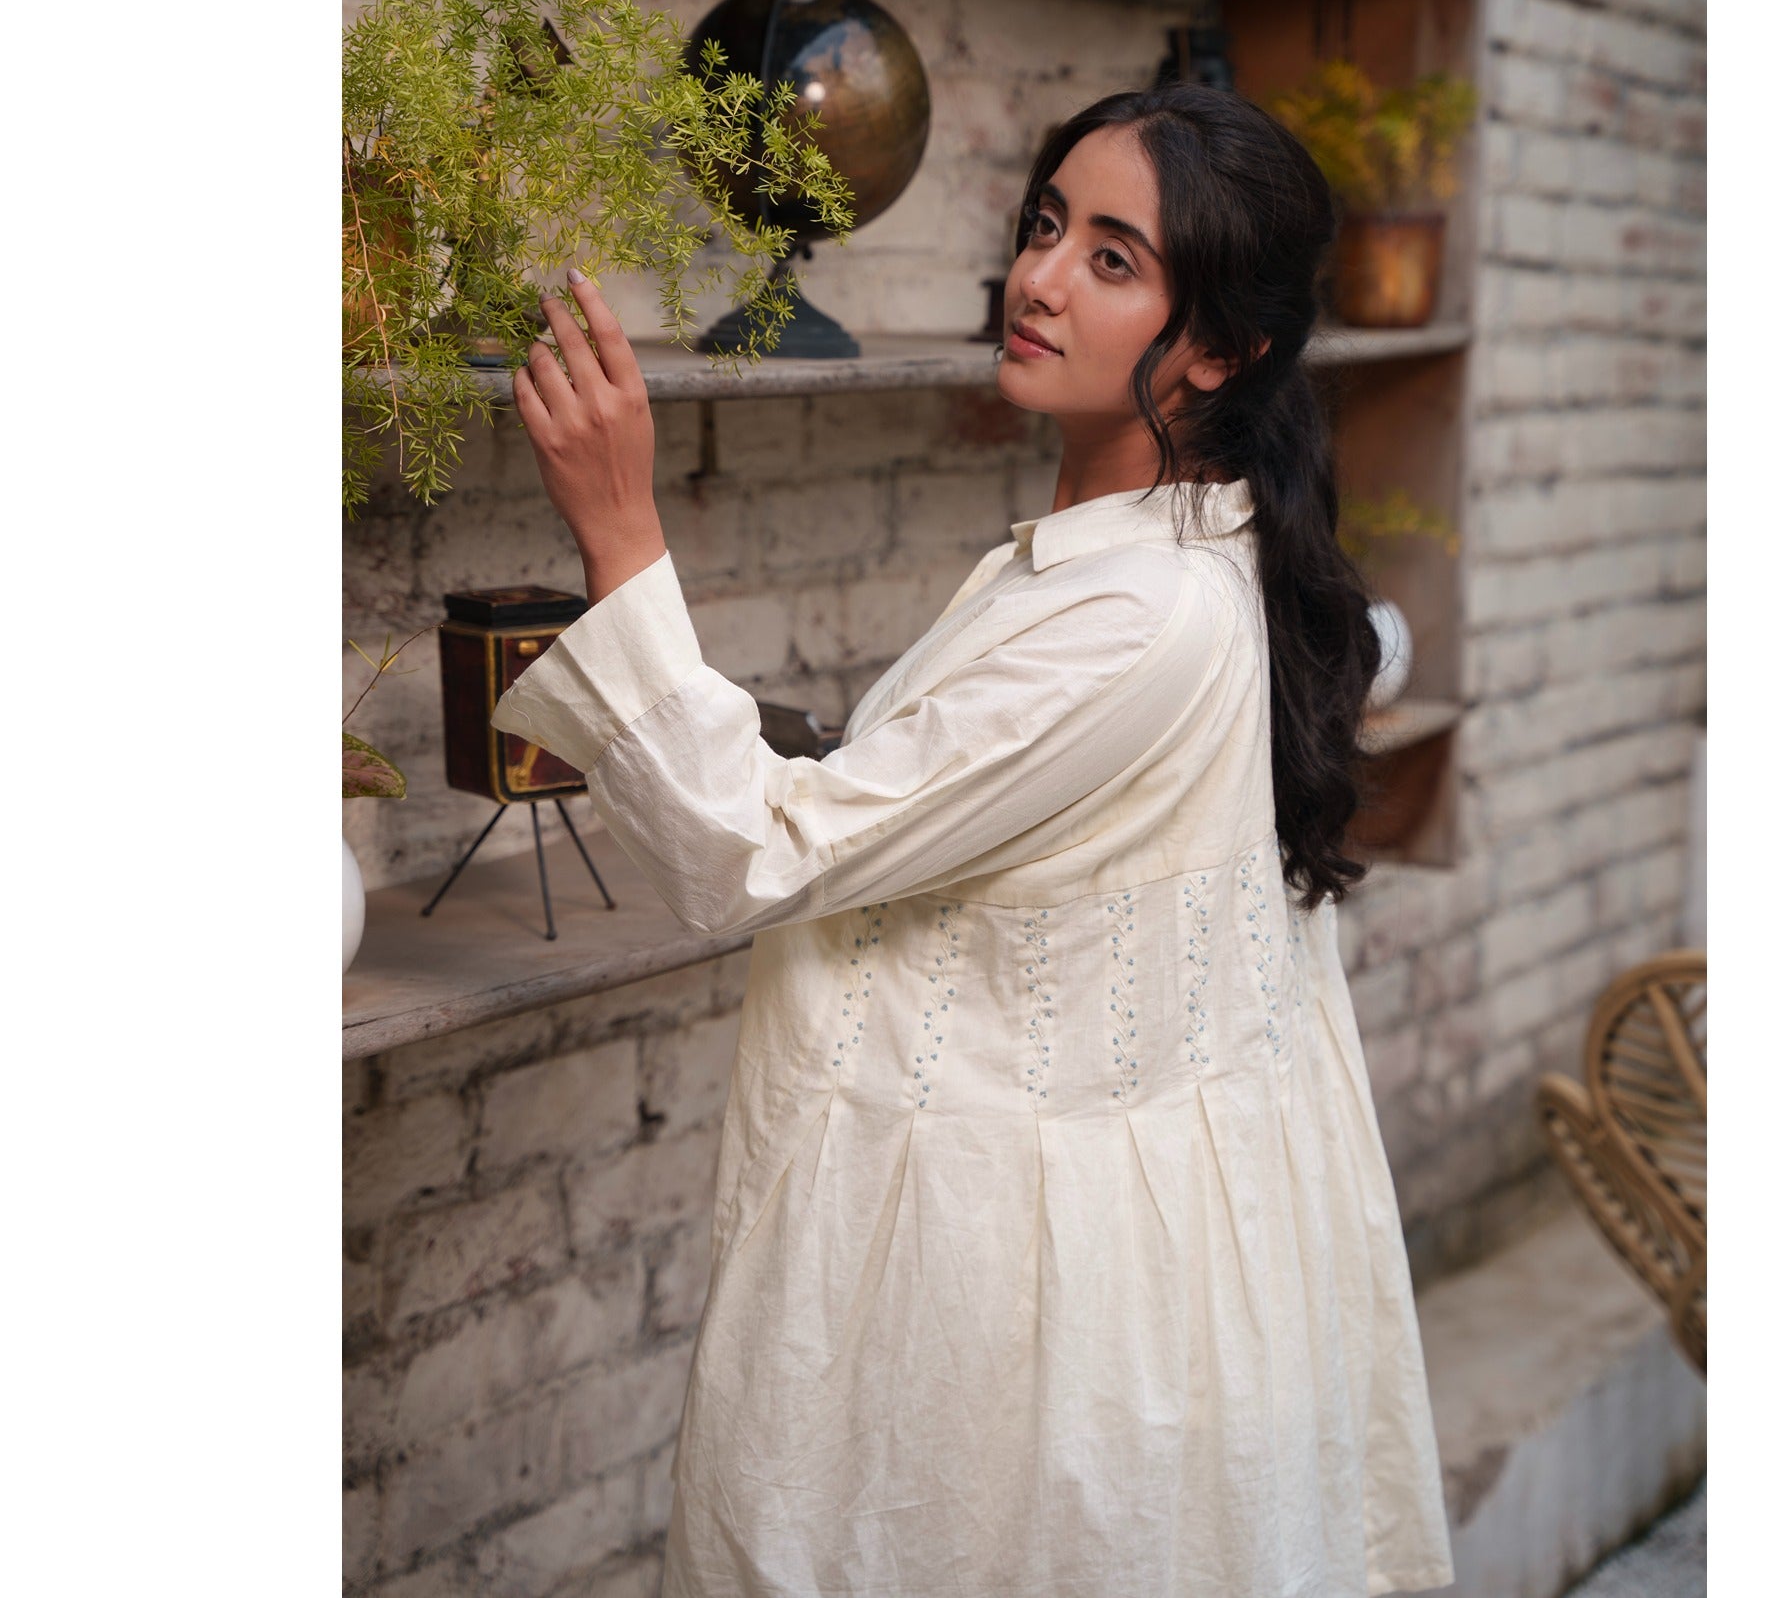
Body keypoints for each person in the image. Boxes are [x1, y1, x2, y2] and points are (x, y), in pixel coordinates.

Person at [492, 82, 1456, 1597]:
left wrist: (620, 526)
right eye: (1046, 225)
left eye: (1114, 259)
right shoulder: (1176, 554)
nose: (1041, 278)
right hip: (1072, 1248)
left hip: (1020, 1285)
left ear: (1220, 348)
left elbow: (749, 857)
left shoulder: (1143, 612)